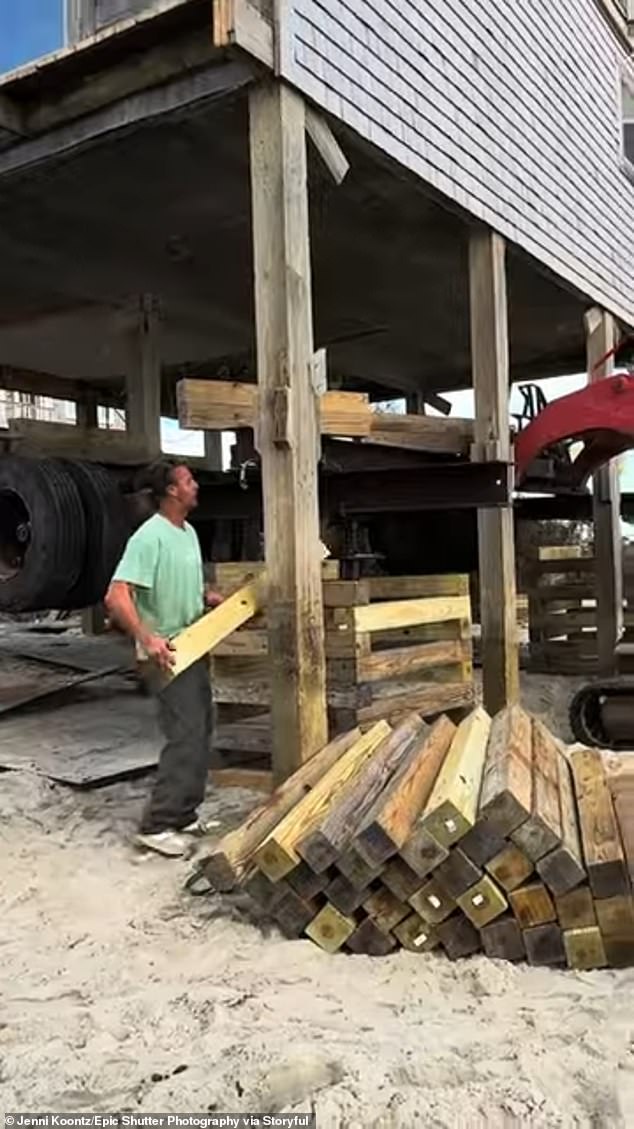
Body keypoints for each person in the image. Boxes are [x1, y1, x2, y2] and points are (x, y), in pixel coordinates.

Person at [105, 458, 223, 858]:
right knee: (185, 734)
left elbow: (179, 581)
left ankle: (184, 814)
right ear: (171, 491)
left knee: (202, 729)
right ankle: (157, 825)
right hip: (166, 653)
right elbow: (116, 595)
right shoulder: (149, 537)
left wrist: (205, 596)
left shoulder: (187, 532)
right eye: (189, 481)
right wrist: (147, 638)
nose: (195, 486)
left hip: (193, 643)